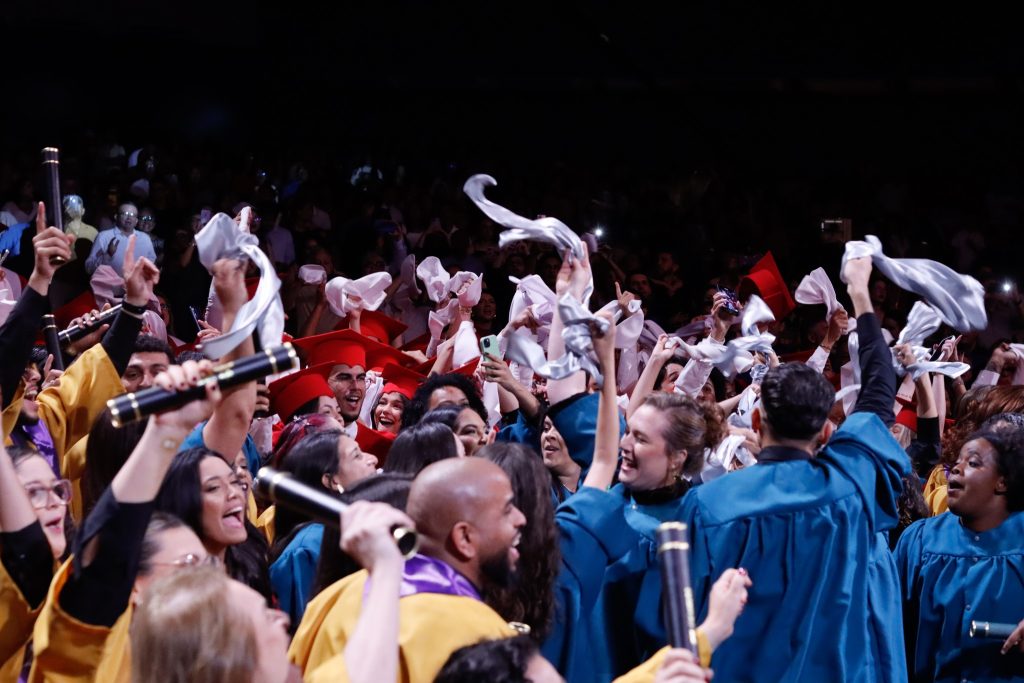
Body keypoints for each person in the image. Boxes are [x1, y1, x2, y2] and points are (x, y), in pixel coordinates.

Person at [674, 254, 911, 682]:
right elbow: (879, 388)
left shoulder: (706, 504)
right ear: (825, 433)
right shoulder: (852, 485)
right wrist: (859, 293)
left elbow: (678, 625)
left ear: (758, 422)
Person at [289, 457, 526, 683]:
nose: (521, 518)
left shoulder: (334, 596)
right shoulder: (479, 631)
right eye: (507, 510)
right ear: (464, 537)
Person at [895, 427, 1024, 681]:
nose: (956, 468)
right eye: (956, 462)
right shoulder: (919, 541)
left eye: (973, 463)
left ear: (1003, 481)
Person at [270, 429, 379, 625]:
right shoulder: (308, 548)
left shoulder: (346, 528)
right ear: (331, 480)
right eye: (357, 455)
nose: (372, 459)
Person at [85, 203, 157, 277]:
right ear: (116, 217)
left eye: (132, 215)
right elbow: (88, 268)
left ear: (136, 220)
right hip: (109, 287)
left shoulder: (145, 239)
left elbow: (151, 263)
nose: (129, 218)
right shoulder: (103, 236)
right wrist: (107, 255)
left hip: (135, 287)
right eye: (125, 214)